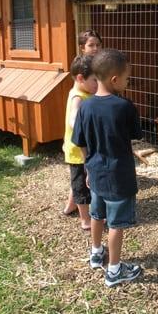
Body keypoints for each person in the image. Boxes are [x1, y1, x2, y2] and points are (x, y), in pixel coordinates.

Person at [72, 48, 143, 287]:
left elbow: (80, 142)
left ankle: (95, 252)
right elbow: (134, 136)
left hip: (96, 173)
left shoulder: (85, 106)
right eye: (127, 78)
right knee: (116, 224)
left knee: (96, 215)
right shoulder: (125, 107)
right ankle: (114, 270)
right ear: (115, 79)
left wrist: (88, 169)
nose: (128, 82)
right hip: (119, 176)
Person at [62, 54, 98, 230]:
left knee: (77, 180)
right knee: (82, 185)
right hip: (78, 152)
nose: (97, 85)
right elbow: (73, 121)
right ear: (80, 78)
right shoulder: (78, 96)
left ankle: (70, 206)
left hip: (82, 150)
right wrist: (85, 130)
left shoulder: (85, 92)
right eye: (94, 80)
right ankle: (85, 219)